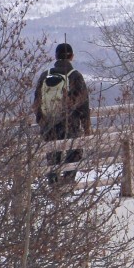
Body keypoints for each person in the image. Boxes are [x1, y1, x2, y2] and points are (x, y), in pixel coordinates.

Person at [34, 42, 91, 183]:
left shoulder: (44, 76)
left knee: (53, 158)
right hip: (70, 125)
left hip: (49, 125)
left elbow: (37, 103)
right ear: (72, 57)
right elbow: (83, 105)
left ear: (55, 56)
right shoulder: (75, 76)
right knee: (74, 154)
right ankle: (67, 185)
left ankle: (53, 188)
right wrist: (86, 126)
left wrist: (42, 122)